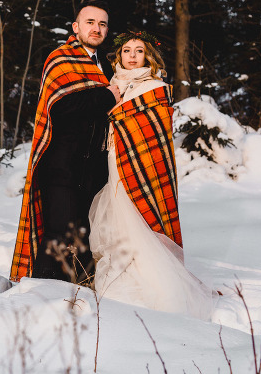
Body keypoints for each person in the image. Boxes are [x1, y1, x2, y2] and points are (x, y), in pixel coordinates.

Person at [89, 31, 213, 318]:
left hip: (142, 162)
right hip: (115, 158)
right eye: (127, 51)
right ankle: (125, 269)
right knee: (119, 216)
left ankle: (153, 279)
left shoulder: (154, 87)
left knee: (140, 216)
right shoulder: (113, 85)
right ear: (118, 56)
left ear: (149, 56)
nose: (132, 56)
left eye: (139, 51)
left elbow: (153, 133)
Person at [10, 0, 121, 283]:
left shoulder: (109, 68)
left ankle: (79, 296)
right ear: (76, 27)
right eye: (90, 22)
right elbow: (61, 108)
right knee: (59, 234)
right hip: (62, 164)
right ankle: (40, 293)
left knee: (86, 234)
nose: (96, 28)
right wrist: (107, 96)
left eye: (102, 24)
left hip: (94, 167)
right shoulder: (61, 59)